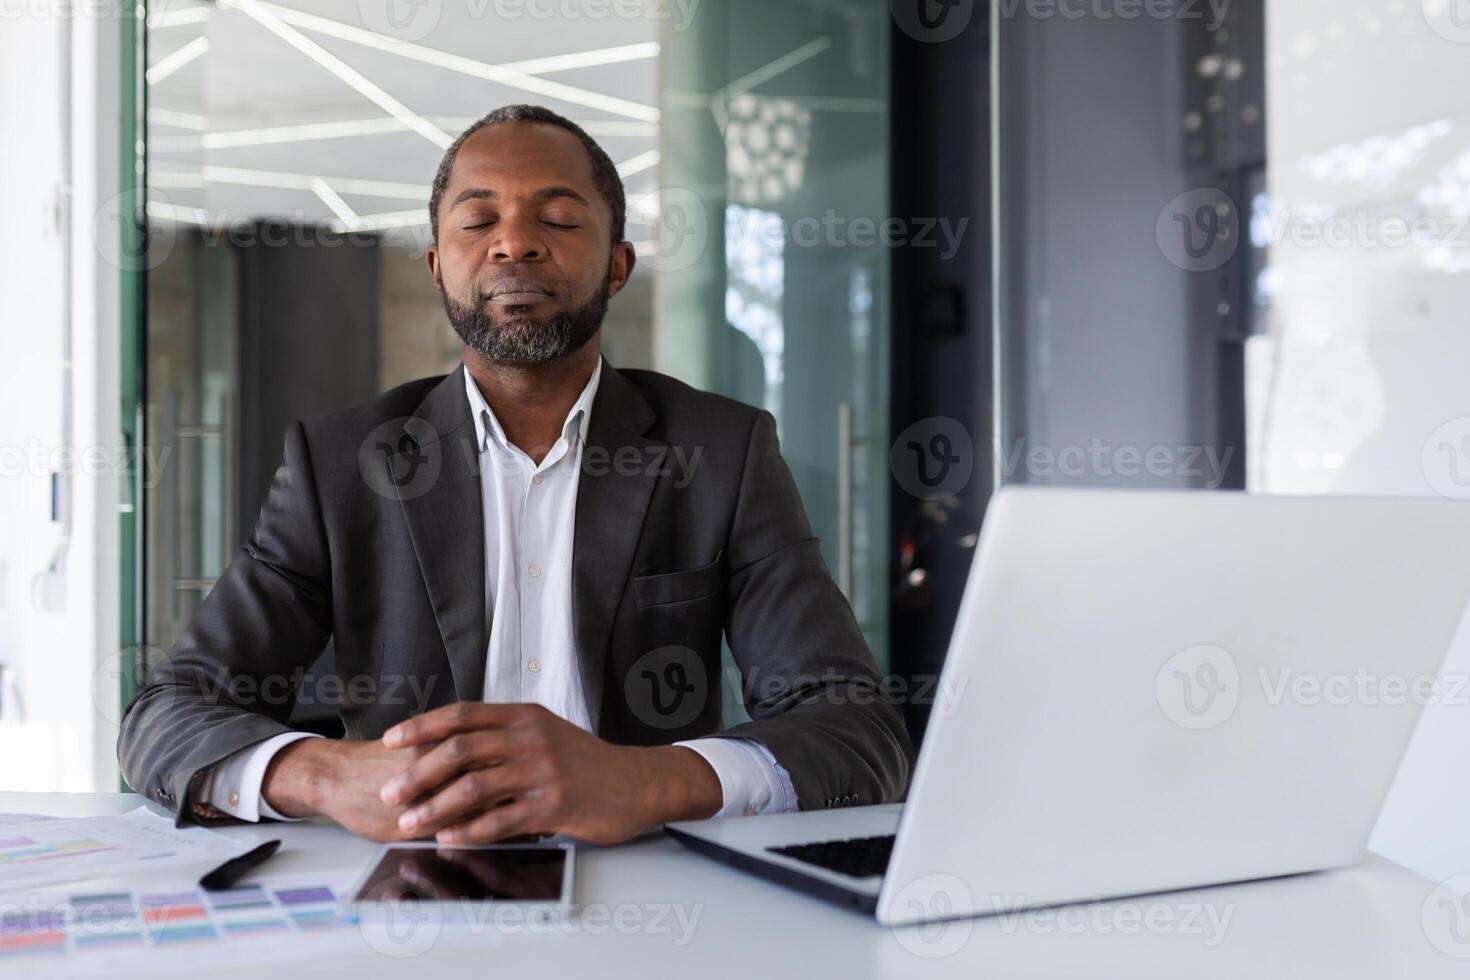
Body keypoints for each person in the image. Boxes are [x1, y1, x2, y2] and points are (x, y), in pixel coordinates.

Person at [119, 104, 911, 845]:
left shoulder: (721, 452)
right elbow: (167, 715)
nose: (515, 243)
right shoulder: (342, 465)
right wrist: (326, 775)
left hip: (649, 888)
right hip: (410, 881)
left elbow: (856, 732)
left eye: (559, 219)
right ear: (436, 265)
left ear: (619, 265)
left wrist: (649, 780)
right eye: (478, 220)